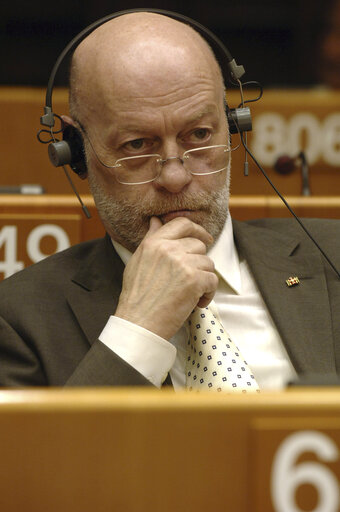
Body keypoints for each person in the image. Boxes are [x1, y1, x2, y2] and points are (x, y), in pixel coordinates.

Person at [0, 11, 339, 389]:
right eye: (137, 145)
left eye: (198, 134)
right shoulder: (17, 322)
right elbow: (44, 449)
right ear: (76, 151)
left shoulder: (333, 256)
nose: (175, 177)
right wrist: (137, 329)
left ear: (234, 126)